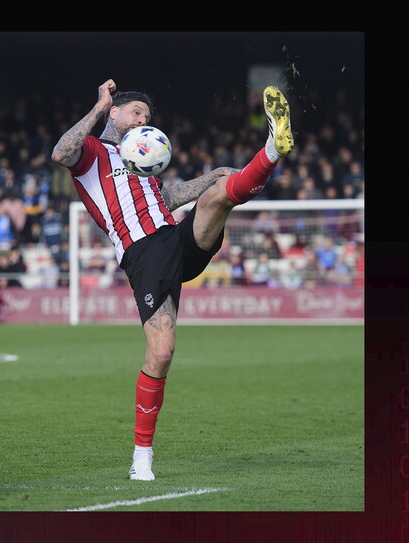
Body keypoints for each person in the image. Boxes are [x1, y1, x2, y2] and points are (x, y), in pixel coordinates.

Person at [51, 79, 293, 481]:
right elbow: (61, 152)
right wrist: (98, 106)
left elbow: (165, 200)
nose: (143, 121)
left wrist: (212, 176)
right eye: (135, 113)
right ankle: (141, 457)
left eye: (147, 117)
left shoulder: (144, 162)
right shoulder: (95, 152)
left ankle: (271, 149)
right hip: (144, 253)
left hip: (174, 236)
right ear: (114, 113)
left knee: (218, 194)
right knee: (161, 354)